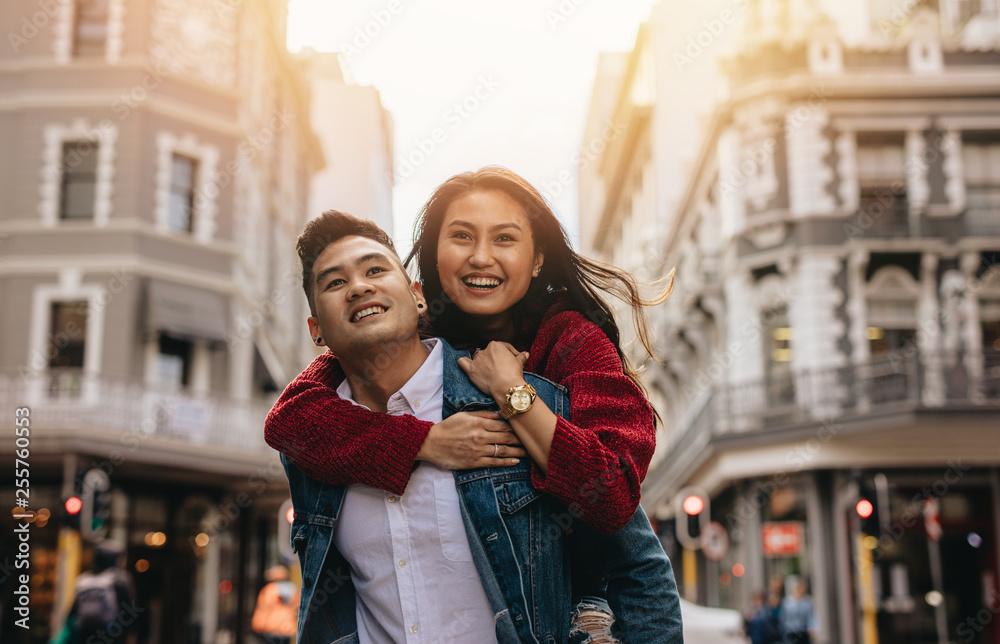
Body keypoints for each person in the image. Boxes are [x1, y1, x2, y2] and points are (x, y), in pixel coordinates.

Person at [267, 169, 681, 639]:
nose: (481, 257)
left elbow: (616, 509)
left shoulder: (568, 344)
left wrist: (512, 393)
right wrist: (423, 442)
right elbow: (289, 419)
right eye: (461, 236)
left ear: (537, 258)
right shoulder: (390, 347)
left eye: (504, 238)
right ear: (431, 261)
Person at [65, 541, 136, 644]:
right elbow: (129, 608)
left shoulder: (84, 579)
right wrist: (132, 631)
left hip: (86, 630)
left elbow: (73, 611)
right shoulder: (120, 579)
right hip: (112, 632)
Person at [251, 565, 298, 644]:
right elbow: (297, 608)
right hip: (287, 628)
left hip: (271, 628)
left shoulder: (269, 589)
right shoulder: (293, 589)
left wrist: (258, 623)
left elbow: (263, 608)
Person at [780, 578, 818, 644]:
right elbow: (783, 616)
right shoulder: (787, 601)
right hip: (790, 632)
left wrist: (812, 628)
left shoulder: (807, 601)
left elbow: (811, 615)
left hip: (803, 631)